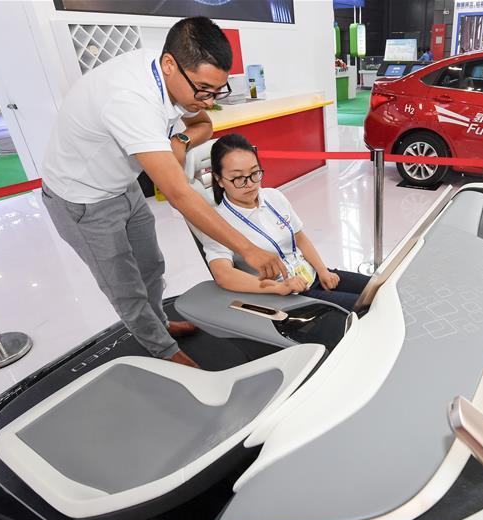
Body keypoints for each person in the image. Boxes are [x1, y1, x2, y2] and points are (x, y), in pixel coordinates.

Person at [40, 17, 286, 370]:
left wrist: (180, 140)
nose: (208, 101)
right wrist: (248, 248)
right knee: (124, 285)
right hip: (82, 200)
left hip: (122, 185)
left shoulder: (170, 72)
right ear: (170, 65)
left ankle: (159, 321)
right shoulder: (130, 99)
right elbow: (179, 194)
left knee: (151, 265)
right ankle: (163, 349)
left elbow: (203, 125)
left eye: (216, 91)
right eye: (203, 90)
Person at [201, 134, 371, 312]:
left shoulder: (273, 196)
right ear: (219, 180)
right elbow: (223, 275)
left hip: (310, 274)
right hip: (288, 296)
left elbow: (300, 238)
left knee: (378, 289)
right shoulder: (217, 222)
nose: (250, 184)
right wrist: (279, 287)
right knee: (367, 309)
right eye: (238, 178)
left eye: (254, 173)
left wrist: (323, 271)